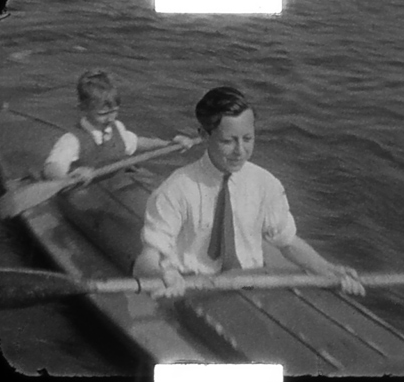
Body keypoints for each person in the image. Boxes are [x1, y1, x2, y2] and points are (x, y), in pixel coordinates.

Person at [133, 86, 366, 298]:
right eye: (228, 141)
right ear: (204, 135)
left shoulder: (266, 184)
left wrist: (329, 270)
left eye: (248, 139)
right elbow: (146, 260)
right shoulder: (176, 189)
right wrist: (162, 276)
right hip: (191, 287)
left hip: (249, 283)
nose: (240, 151)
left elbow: (287, 242)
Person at [43, 69, 193, 182]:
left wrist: (168, 143)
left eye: (114, 111)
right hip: (87, 190)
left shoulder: (117, 127)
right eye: (102, 114)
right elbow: (51, 168)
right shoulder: (72, 139)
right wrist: (69, 176)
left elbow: (137, 143)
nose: (110, 118)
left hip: (117, 184)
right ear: (83, 108)